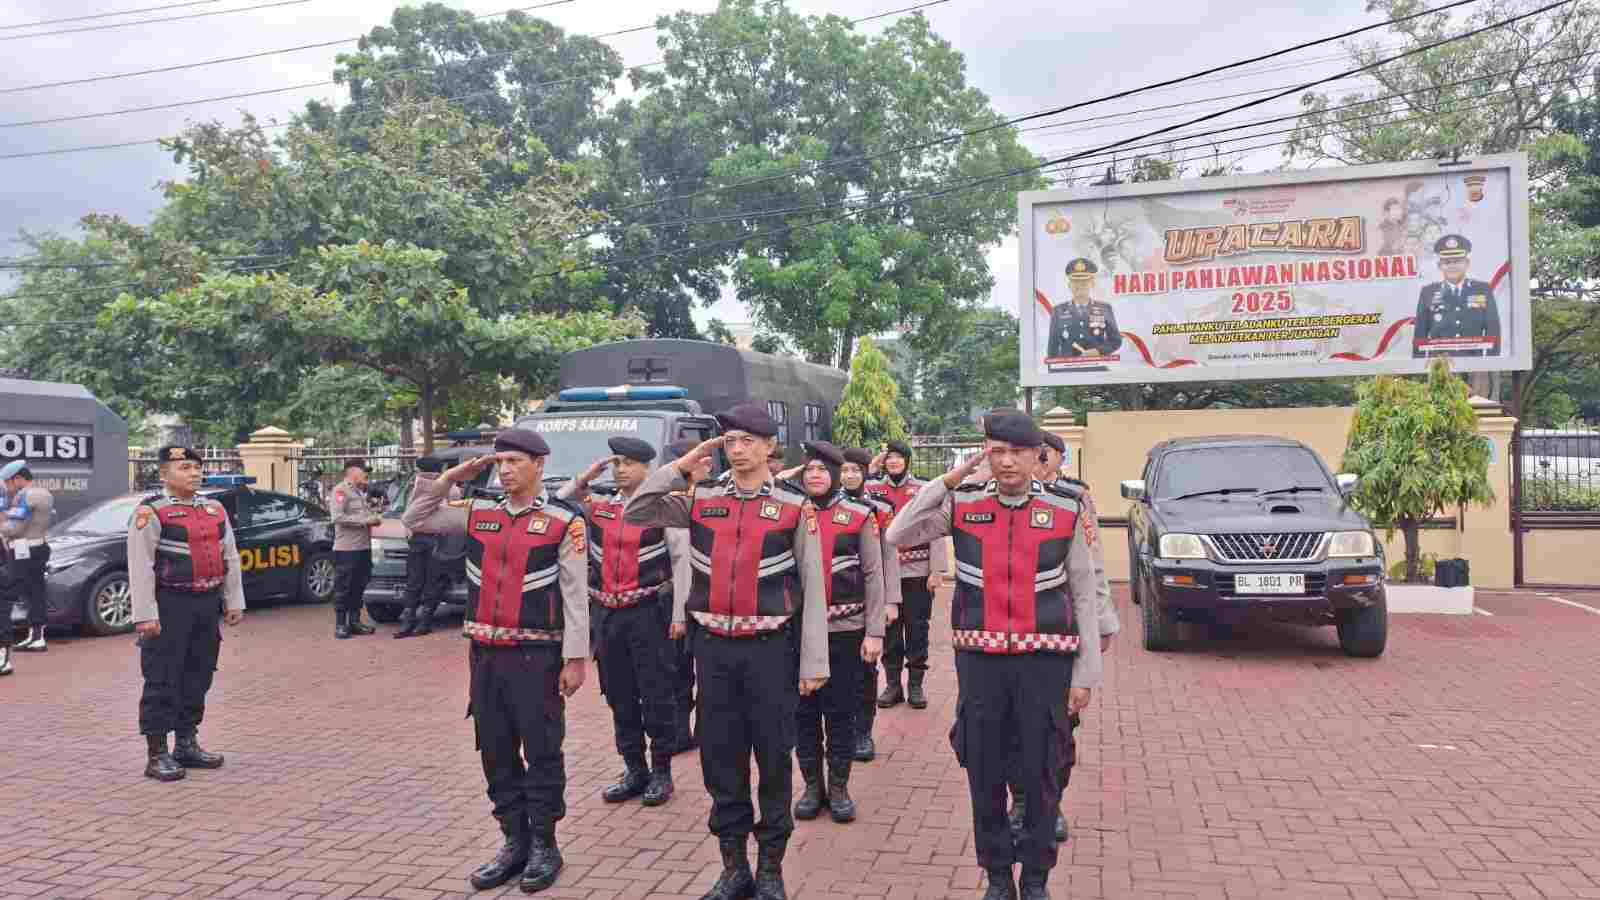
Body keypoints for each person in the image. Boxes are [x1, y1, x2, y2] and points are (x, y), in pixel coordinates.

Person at [885, 410, 1103, 900]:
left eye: (1017, 452)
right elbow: (898, 533)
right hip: (980, 664)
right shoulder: (963, 505)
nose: (1006, 462)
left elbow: (1084, 594)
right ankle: (999, 876)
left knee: (1043, 772)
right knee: (983, 769)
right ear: (985, 452)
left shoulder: (1066, 509)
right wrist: (949, 478)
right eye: (996, 451)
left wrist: (1086, 673)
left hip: (1046, 663)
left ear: (1036, 456)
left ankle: (1037, 878)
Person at [625, 402, 829, 900]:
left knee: (775, 760)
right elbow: (636, 509)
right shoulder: (700, 499)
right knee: (721, 759)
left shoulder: (793, 506)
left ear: (768, 447)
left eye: (746, 441)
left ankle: (771, 869)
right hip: (713, 650)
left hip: (770, 651)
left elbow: (813, 587)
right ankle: (734, 864)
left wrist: (814, 661)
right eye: (729, 442)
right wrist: (678, 467)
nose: (737, 450)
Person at [401, 429, 589, 894]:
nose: (504, 470)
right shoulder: (480, 512)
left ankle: (545, 843)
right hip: (485, 654)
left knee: (542, 750)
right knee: (495, 750)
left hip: (537, 654)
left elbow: (575, 595)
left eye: (515, 461)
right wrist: (454, 476)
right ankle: (514, 841)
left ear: (539, 464)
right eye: (499, 461)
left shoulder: (564, 520)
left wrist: (576, 658)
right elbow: (415, 516)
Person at [561, 436, 690, 807]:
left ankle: (661, 771)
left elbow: (681, 562)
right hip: (608, 615)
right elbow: (561, 502)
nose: (620, 470)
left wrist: (680, 613)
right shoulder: (600, 507)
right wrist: (585, 478)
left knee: (656, 693)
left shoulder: (664, 507)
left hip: (649, 612)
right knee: (618, 694)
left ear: (646, 468)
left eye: (628, 463)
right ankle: (634, 769)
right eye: (615, 462)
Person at [1006, 431, 1120, 846]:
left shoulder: (1073, 501)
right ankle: (1020, 800)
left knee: (1058, 730)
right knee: (1012, 731)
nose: (1035, 460)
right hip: (1013, 630)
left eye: (1043, 454)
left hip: (1061, 628)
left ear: (1053, 458)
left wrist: (1102, 622)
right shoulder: (999, 498)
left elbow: (1093, 567)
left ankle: (1049, 804)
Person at [128, 445, 247, 782]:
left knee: (198, 674)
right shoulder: (152, 512)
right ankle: (157, 753)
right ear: (164, 474)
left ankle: (186, 743)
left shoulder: (214, 509)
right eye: (184, 467)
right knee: (162, 677)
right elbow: (141, 566)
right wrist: (145, 615)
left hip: (206, 604)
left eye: (196, 467)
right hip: (169, 606)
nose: (193, 473)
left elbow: (231, 556)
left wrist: (233, 600)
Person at [787, 441, 885, 825]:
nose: (814, 475)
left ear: (835, 475)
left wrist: (874, 631)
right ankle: (813, 787)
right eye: (808, 469)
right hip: (798, 633)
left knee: (840, 713)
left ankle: (839, 787)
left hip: (845, 630)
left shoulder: (860, 514)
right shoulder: (790, 512)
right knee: (803, 714)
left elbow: (874, 574)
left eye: (821, 470)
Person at [867, 440, 949, 710]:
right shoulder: (873, 489)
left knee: (917, 628)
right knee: (890, 630)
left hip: (917, 570)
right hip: (886, 573)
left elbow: (935, 529)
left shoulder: (923, 489)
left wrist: (936, 570)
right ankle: (893, 685)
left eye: (898, 457)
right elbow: (851, 490)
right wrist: (871, 468)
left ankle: (915, 685)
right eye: (889, 458)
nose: (893, 462)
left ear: (907, 461)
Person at [840, 446, 900, 762]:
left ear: (865, 473)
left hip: (869, 600)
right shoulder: (818, 506)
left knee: (865, 670)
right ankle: (841, 732)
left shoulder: (880, 507)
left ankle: (863, 732)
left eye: (855, 470)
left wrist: (891, 600)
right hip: (836, 602)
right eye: (844, 470)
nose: (849, 476)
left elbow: (889, 556)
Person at [664, 436, 710, 755]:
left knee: (708, 671)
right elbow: (679, 559)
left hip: (711, 598)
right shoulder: (673, 500)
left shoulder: (714, 494)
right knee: (679, 669)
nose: (707, 464)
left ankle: (707, 730)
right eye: (701, 460)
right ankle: (682, 730)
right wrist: (679, 611)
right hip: (681, 598)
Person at [394, 456, 458, 639]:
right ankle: (422, 622)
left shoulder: (418, 487)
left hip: (421, 538)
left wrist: (408, 528)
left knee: (416, 581)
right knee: (431, 581)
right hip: (435, 540)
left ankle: (411, 622)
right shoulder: (449, 488)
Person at [1412, 234, 1501, 359]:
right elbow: (1420, 334)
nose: (1452, 266)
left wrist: (1492, 363)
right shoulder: (1428, 293)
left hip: (1475, 364)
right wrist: (1419, 365)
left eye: (1458, 261)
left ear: (1467, 263)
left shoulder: (1482, 290)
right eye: (1447, 262)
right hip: (1439, 366)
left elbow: (1493, 329)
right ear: (1440, 266)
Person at [2, 460, 53, 653]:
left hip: (23, 550)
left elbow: (14, 528)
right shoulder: (45, 493)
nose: (7, 486)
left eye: (9, 482)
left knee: (6, 594)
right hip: (39, 546)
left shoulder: (25, 496)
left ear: (19, 479)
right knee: (36, 593)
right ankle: (37, 637)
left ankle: (4, 643)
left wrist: (2, 523)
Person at [330, 459, 382, 639]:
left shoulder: (360, 492)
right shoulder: (340, 490)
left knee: (359, 585)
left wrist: (375, 514)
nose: (366, 476)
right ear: (353, 472)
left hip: (362, 547)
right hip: (347, 548)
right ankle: (340, 624)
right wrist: (365, 521)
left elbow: (363, 513)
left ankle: (355, 621)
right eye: (363, 472)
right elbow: (337, 517)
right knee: (343, 586)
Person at [1045, 258, 1122, 360]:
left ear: (1092, 284)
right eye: (1075, 282)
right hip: (1067, 370)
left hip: (1098, 369)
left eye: (1084, 282)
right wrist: (1053, 371)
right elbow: (1052, 347)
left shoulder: (1105, 308)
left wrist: (1098, 351)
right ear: (1069, 285)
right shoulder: (1058, 311)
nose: (1080, 285)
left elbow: (1115, 341)